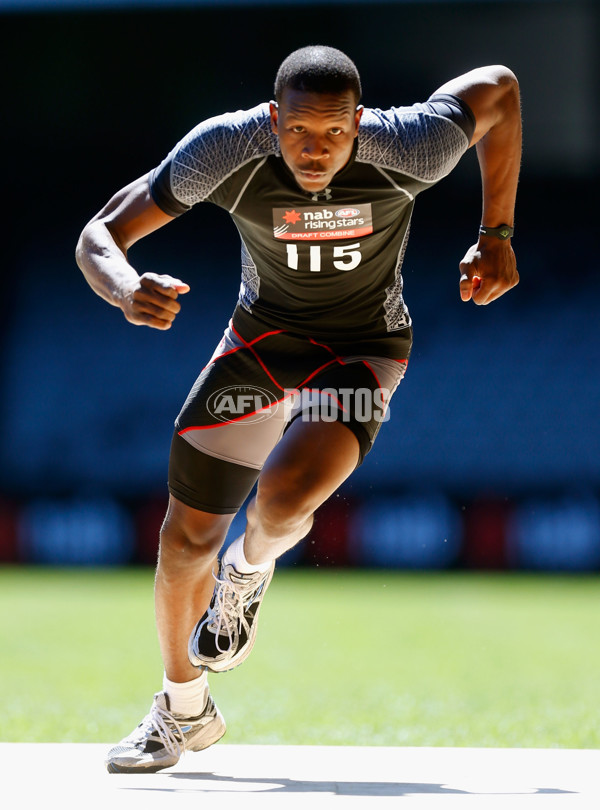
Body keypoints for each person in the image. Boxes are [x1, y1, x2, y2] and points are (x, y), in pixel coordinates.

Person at [76, 45, 521, 773]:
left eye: (336, 133)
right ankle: (182, 713)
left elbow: (500, 88)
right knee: (184, 540)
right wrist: (125, 288)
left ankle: (247, 575)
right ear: (274, 120)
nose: (317, 152)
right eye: (300, 133)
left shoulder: (409, 143)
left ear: (361, 120)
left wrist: (496, 233)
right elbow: (102, 232)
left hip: (362, 348)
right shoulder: (227, 147)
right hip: (260, 344)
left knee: (282, 498)